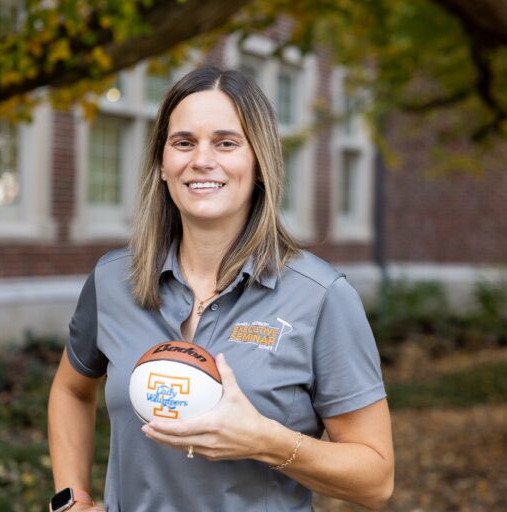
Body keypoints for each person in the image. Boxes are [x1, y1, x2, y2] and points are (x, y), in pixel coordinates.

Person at [47, 66, 394, 512]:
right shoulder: (113, 280)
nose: (202, 160)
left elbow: (376, 479)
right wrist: (70, 498)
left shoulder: (321, 296)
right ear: (163, 164)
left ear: (259, 163)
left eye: (226, 143)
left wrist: (267, 441)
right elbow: (71, 390)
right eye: (184, 142)